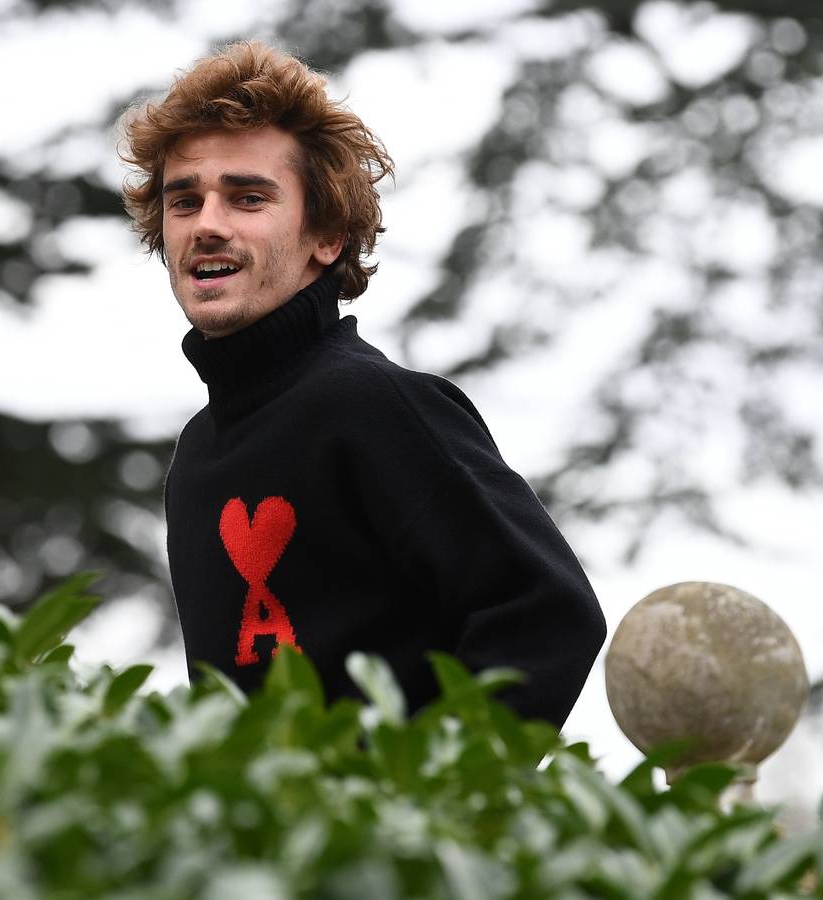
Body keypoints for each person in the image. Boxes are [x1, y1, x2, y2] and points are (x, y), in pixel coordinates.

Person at [119, 41, 606, 729]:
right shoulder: (196, 458)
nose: (208, 225)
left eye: (248, 197)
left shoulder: (374, 405)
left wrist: (431, 785)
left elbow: (549, 614)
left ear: (327, 236)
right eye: (185, 201)